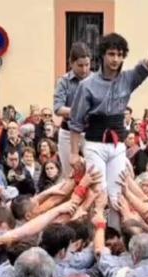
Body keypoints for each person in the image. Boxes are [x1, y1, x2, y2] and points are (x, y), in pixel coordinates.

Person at [69, 16, 148, 214]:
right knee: (98, 193)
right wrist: (73, 154)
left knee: (117, 194)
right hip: (94, 144)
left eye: (120, 55)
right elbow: (76, 123)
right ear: (103, 55)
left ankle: (115, 230)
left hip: (117, 145)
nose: (115, 59)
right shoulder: (86, 85)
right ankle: (93, 229)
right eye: (111, 54)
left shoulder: (129, 78)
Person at [54, 42, 93, 178]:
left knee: (94, 171)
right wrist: (78, 111)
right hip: (68, 132)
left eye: (87, 65)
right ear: (71, 63)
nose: (84, 69)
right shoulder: (63, 81)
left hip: (91, 132)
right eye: (80, 65)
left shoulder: (96, 80)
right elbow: (58, 108)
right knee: (69, 175)